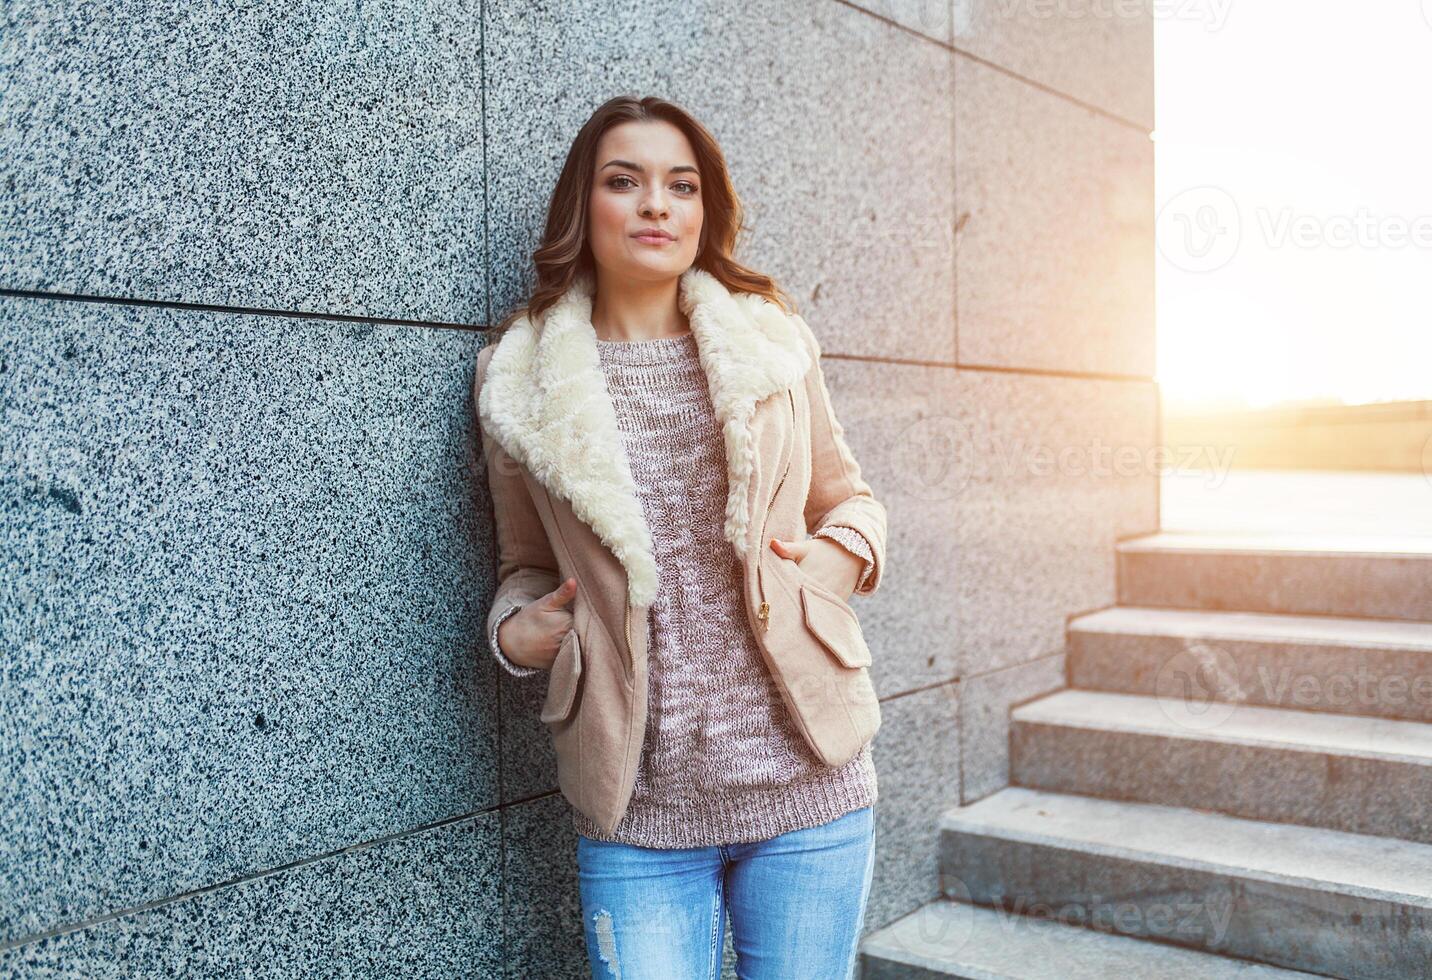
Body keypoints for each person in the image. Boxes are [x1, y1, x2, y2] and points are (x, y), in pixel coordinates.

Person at [474, 94, 887, 979]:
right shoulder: (518, 376)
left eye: (682, 185)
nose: (657, 204)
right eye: (625, 181)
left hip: (809, 786)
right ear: (585, 206)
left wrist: (835, 557)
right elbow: (523, 566)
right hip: (638, 808)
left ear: (706, 210)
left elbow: (851, 500)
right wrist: (519, 634)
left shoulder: (772, 342)